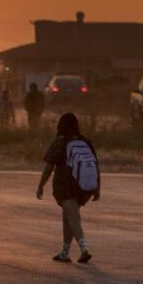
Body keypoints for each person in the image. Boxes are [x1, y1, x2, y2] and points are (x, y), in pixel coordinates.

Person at [36, 112, 98, 263]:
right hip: (84, 186)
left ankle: (84, 249)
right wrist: (96, 188)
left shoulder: (60, 142)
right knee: (68, 217)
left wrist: (40, 185)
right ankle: (65, 252)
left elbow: (49, 166)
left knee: (73, 218)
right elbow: (94, 165)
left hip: (66, 186)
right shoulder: (85, 141)